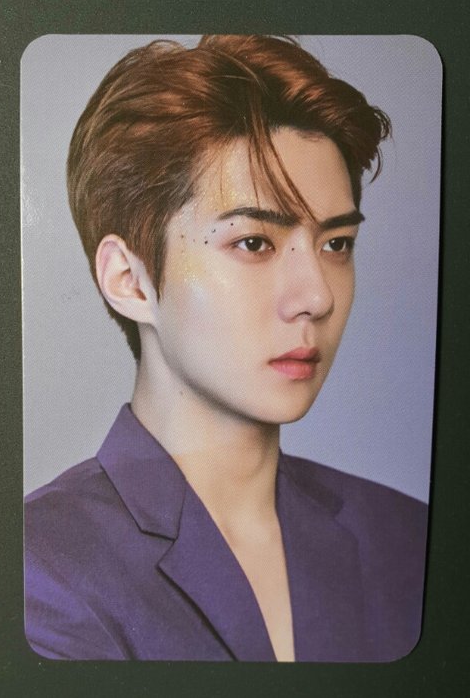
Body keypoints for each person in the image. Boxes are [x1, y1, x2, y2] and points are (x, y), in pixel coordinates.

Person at [24, 34, 428, 662]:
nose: (316, 295)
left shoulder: (409, 538)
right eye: (254, 242)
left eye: (337, 244)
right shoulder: (38, 568)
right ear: (129, 280)